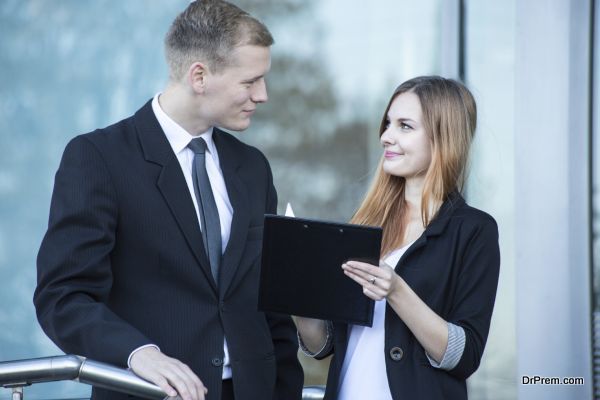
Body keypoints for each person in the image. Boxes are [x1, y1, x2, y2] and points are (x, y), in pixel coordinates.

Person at [33, 1, 303, 400]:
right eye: (250, 82)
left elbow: (270, 304)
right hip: (150, 393)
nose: (261, 95)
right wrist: (137, 354)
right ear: (199, 76)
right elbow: (62, 296)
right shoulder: (100, 157)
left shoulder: (252, 167)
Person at [295, 76, 500, 399]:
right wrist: (299, 300)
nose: (386, 137)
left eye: (405, 126)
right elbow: (326, 344)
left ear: (442, 137)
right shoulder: (367, 222)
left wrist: (396, 291)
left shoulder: (474, 230)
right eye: (387, 124)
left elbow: (464, 355)